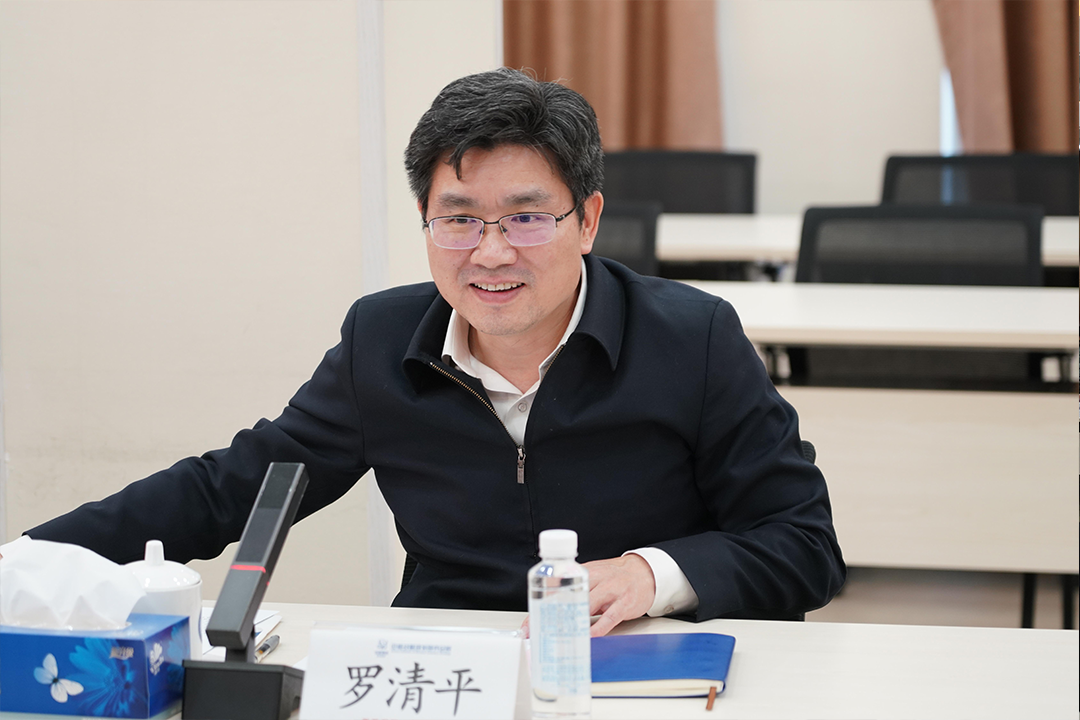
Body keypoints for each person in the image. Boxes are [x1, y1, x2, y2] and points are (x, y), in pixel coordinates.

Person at [25, 68, 845, 635]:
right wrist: (29, 561)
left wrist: (650, 575)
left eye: (526, 217)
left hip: (639, 664)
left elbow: (803, 547)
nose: (490, 252)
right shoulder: (383, 340)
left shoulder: (692, 338)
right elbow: (233, 485)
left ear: (588, 220)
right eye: (458, 219)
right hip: (446, 666)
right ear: (425, 220)